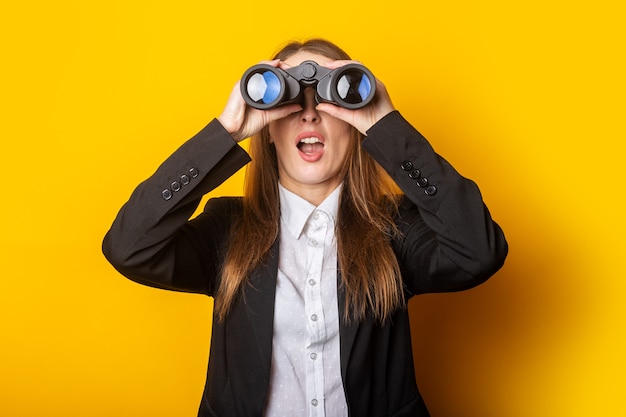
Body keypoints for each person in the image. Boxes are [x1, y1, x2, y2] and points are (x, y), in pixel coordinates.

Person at [102, 38, 508, 417]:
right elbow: (128, 247)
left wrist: (387, 127)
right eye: (292, 100)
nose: (310, 113)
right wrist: (225, 134)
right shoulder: (227, 228)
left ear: (354, 128)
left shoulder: (393, 228)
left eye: (330, 101)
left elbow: (479, 252)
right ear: (270, 133)